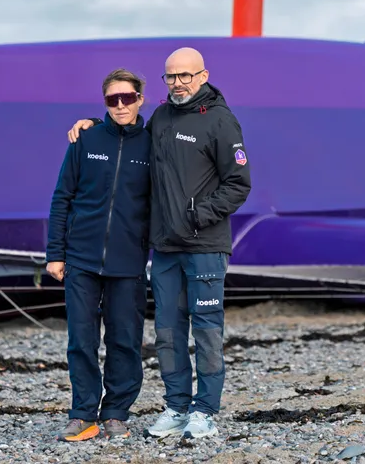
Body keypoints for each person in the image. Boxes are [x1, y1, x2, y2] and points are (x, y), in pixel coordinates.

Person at [66, 47, 252, 439]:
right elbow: (127, 139)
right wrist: (92, 125)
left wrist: (196, 216)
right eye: (171, 76)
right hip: (165, 248)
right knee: (167, 331)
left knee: (206, 331)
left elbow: (239, 184)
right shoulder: (162, 118)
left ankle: (205, 410)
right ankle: (177, 405)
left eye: (186, 75)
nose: (179, 83)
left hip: (204, 247)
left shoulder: (222, 122)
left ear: (202, 75)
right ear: (164, 81)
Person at [46, 68, 152, 442]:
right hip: (81, 258)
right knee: (81, 339)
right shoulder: (85, 139)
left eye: (128, 98)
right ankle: (82, 414)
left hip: (129, 262)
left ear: (141, 99)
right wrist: (55, 253)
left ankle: (116, 413)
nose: (120, 105)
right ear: (104, 101)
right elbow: (62, 198)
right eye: (112, 99)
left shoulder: (153, 144)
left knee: (125, 339)